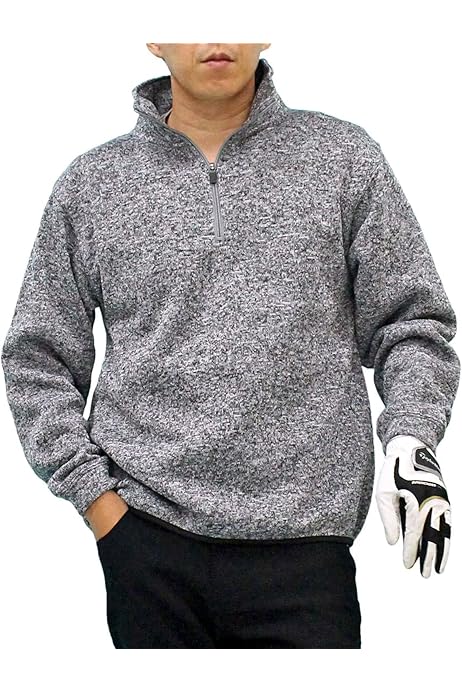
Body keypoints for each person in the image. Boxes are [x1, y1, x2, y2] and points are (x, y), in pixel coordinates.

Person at [1, 43, 459, 649]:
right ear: (154, 36)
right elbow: (37, 357)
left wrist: (410, 438)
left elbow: (411, 323)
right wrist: (99, 505)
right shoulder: (92, 186)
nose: (215, 32)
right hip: (146, 541)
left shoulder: (344, 160)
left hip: (306, 549)